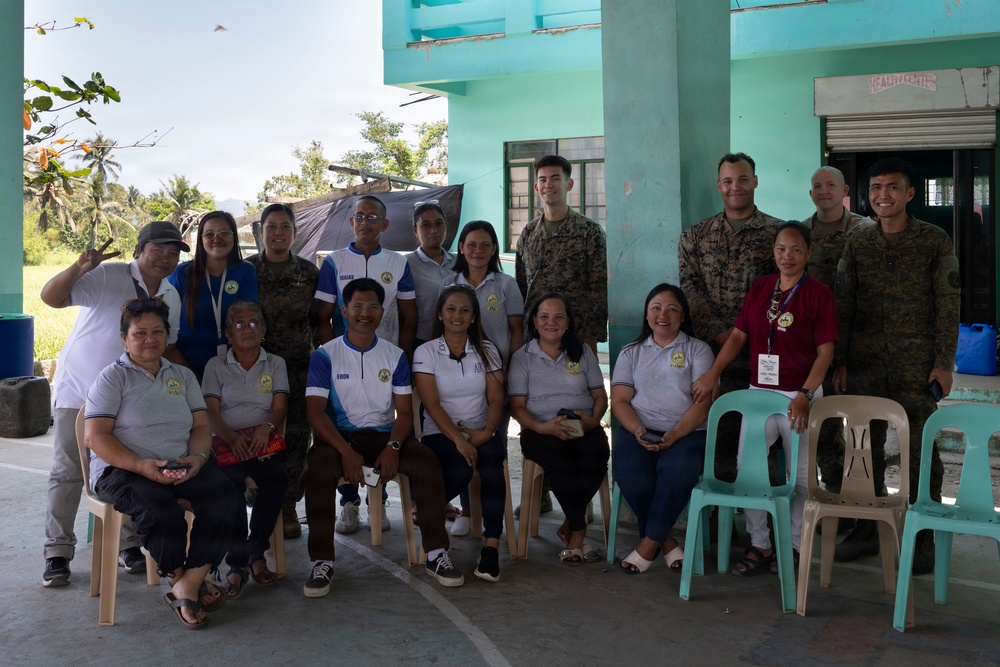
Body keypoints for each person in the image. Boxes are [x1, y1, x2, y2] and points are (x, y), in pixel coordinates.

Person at [39, 221, 187, 587]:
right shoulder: (108, 276)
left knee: (128, 470)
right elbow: (51, 298)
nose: (165, 258)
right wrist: (80, 267)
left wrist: (191, 383)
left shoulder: (170, 294)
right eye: (158, 250)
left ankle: (128, 545)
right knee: (68, 471)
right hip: (80, 390)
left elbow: (166, 347)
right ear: (139, 250)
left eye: (173, 253)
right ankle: (58, 553)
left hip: (130, 399)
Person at [832, 157, 960, 574]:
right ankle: (868, 528)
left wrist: (944, 362)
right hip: (865, 363)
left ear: (909, 194)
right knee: (863, 447)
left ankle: (924, 536)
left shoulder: (933, 240)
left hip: (916, 365)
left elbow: (948, 305)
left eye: (892, 187)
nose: (882, 195)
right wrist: (841, 361)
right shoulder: (858, 242)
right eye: (875, 188)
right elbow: (844, 305)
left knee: (921, 449)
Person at [85, 297, 241, 630]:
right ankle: (180, 579)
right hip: (123, 469)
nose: (150, 339)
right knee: (160, 509)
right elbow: (95, 437)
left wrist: (197, 458)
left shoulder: (182, 376)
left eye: (157, 331)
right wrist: (141, 466)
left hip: (179, 462)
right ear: (124, 338)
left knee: (226, 496)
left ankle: (190, 581)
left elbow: (201, 426)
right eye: (139, 333)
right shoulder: (112, 378)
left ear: (167, 335)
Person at [692, 221, 837, 576]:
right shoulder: (761, 287)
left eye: (796, 250)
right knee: (750, 471)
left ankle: (796, 547)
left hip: (798, 395)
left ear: (808, 253)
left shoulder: (818, 294)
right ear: (773, 252)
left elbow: (825, 353)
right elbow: (739, 335)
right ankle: (761, 544)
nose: (788, 256)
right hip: (760, 393)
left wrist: (804, 394)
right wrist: (712, 373)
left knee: (799, 478)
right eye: (781, 249)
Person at [302, 278, 459, 597]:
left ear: (382, 311)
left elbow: (404, 412)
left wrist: (393, 447)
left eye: (372, 306)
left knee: (427, 461)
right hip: (339, 438)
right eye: (357, 306)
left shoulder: (395, 355)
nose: (365, 313)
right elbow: (315, 413)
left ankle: (436, 554)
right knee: (317, 469)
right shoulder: (325, 355)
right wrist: (346, 452)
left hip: (385, 436)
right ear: (344, 311)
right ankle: (322, 561)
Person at [315, 195, 418, 533]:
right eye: (360, 216)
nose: (365, 222)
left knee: (380, 426)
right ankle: (349, 503)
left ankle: (379, 498)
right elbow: (323, 316)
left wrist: (401, 355)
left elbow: (409, 315)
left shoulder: (397, 263)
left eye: (373, 217)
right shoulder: (334, 262)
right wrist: (331, 353)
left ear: (384, 224)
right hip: (343, 360)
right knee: (345, 427)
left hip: (385, 362)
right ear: (351, 222)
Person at [679, 152, 782, 482]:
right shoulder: (696, 235)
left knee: (763, 442)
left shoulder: (778, 235)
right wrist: (720, 332)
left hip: (762, 356)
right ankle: (720, 510)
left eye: (742, 179)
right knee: (719, 441)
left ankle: (763, 510)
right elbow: (690, 287)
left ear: (755, 181)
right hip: (712, 358)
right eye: (727, 181)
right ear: (718, 185)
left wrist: (744, 331)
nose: (735, 186)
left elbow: (784, 290)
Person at [610, 284, 714, 573]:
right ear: (647, 315)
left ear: (683, 316)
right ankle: (665, 541)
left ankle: (647, 546)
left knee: (676, 470)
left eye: (671, 309)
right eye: (655, 308)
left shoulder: (698, 350)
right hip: (640, 430)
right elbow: (619, 401)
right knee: (630, 473)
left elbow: (704, 404)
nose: (662, 315)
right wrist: (637, 430)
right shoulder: (631, 352)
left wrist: (677, 433)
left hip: (688, 433)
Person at [413, 285, 507, 581]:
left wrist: (487, 431)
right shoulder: (426, 352)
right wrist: (459, 439)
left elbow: (496, 398)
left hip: (480, 430)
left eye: (465, 310)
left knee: (492, 465)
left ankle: (491, 545)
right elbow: (431, 404)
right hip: (440, 433)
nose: (458, 315)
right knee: (460, 468)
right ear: (440, 314)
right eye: (451, 309)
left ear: (474, 316)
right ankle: (433, 530)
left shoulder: (487, 350)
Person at [508, 293, 610, 564]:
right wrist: (541, 427)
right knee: (561, 463)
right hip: (539, 431)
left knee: (597, 454)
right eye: (544, 316)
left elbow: (600, 395)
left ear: (567, 322)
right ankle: (578, 533)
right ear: (534, 322)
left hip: (583, 427)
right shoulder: (522, 357)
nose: (550, 322)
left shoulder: (582, 351)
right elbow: (516, 406)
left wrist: (594, 420)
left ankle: (571, 524)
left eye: (558, 317)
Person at [441, 220, 524, 535]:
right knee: (462, 441)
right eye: (471, 244)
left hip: (496, 381)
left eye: (485, 245)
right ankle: (466, 509)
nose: (478, 250)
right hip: (459, 380)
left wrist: (510, 372)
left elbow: (516, 331)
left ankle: (492, 517)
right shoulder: (448, 284)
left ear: (494, 250)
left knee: (492, 444)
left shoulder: (506, 284)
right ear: (461, 248)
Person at [202, 301, 289, 598]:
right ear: (229, 334)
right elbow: (210, 411)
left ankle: (256, 552)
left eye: (253, 323)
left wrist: (267, 426)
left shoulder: (275, 363)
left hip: (264, 443)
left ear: (263, 331)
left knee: (277, 478)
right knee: (230, 486)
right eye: (239, 324)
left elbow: (280, 407)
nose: (247, 329)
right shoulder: (215, 366)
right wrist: (229, 437)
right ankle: (237, 563)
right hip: (228, 446)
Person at [246, 203, 319, 539]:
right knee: (255, 432)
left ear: (294, 231)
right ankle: (259, 502)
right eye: (271, 227)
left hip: (297, 369)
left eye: (285, 226)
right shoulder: (246, 271)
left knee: (296, 437)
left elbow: (319, 320)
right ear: (260, 232)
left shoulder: (309, 272)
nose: (278, 233)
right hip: (253, 369)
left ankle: (288, 504)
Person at [801, 167, 874, 496]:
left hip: (857, 347)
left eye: (830, 185)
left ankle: (864, 501)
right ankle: (834, 498)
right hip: (813, 350)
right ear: (811, 193)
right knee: (824, 430)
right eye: (817, 186)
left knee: (863, 430)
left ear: (844, 190)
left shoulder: (865, 230)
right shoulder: (800, 233)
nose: (823, 191)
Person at [515, 155, 607, 353]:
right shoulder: (528, 233)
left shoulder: (589, 232)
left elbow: (598, 289)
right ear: (536, 187)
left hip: (576, 334)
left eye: (555, 178)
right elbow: (521, 287)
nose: (548, 184)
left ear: (569, 184)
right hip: (535, 336)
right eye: (543, 179)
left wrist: (590, 337)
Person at [167, 210, 259, 379]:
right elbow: (165, 331)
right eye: (209, 234)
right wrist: (192, 379)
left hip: (234, 369)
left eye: (224, 233)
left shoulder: (245, 271)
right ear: (201, 239)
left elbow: (248, 321)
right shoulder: (181, 274)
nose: (217, 239)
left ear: (234, 237)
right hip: (184, 368)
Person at [406, 200, 457, 348]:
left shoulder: (460, 261)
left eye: (439, 223)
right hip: (422, 342)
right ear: (415, 231)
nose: (434, 230)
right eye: (426, 225)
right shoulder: (406, 264)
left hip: (458, 341)